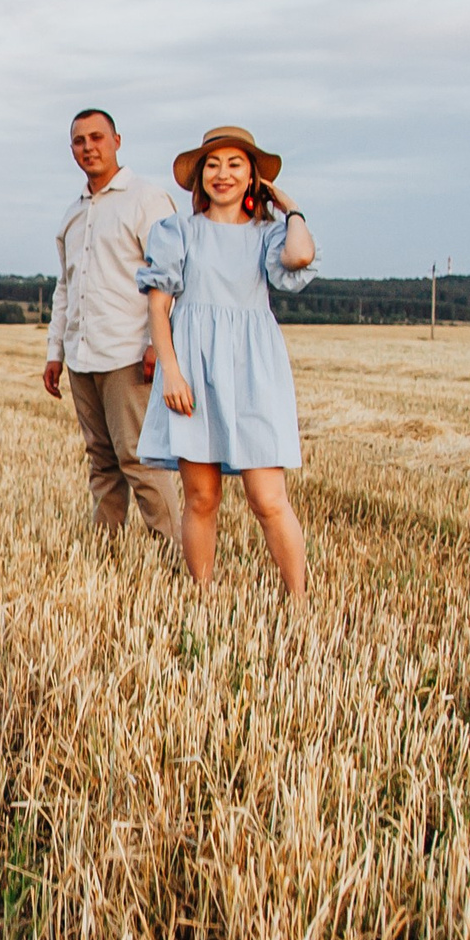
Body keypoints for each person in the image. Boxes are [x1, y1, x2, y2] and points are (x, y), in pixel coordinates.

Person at [136, 125, 318, 599]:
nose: (222, 174)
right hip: (193, 370)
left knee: (268, 497)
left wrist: (289, 206)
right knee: (202, 497)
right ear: (199, 178)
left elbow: (300, 256)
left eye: (235, 164)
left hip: (254, 372)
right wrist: (171, 372)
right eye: (212, 165)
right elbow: (158, 307)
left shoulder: (268, 236)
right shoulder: (178, 231)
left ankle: (298, 601)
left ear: (252, 176)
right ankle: (201, 597)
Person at [44, 109, 183, 543]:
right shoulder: (73, 213)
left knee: (140, 461)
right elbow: (65, 287)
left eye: (97, 137)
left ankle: (177, 559)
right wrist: (55, 352)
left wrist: (158, 343)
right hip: (82, 356)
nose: (89, 147)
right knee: (101, 460)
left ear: (117, 140)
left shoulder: (146, 199)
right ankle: (106, 553)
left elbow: (173, 275)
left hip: (128, 353)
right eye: (79, 141)